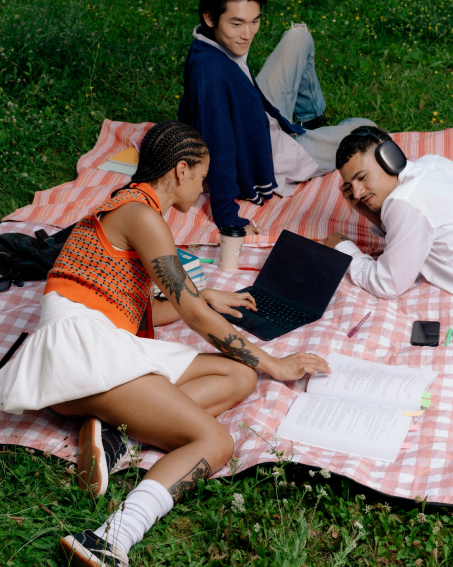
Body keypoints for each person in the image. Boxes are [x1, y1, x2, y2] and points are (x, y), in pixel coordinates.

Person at [0, 121, 330, 567]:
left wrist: (202, 297)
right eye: (202, 176)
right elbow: (194, 316)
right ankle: (108, 536)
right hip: (82, 353)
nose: (204, 187)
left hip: (89, 347)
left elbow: (141, 311)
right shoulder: (142, 214)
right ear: (180, 170)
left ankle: (112, 433)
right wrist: (276, 363)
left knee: (237, 374)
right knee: (215, 442)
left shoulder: (127, 205)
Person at [178, 0, 375, 233]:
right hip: (267, 154)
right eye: (237, 23)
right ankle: (308, 138)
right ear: (210, 18)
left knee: (298, 37)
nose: (247, 34)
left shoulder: (205, 39)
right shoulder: (210, 72)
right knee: (368, 129)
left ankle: (310, 118)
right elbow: (219, 148)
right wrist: (228, 218)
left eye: (255, 21)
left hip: (258, 114)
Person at [325, 126, 453, 299]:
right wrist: (371, 214)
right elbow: (418, 232)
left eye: (362, 177)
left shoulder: (406, 202)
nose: (356, 193)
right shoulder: (432, 163)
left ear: (390, 159)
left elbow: (387, 285)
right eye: (350, 185)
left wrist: (344, 250)